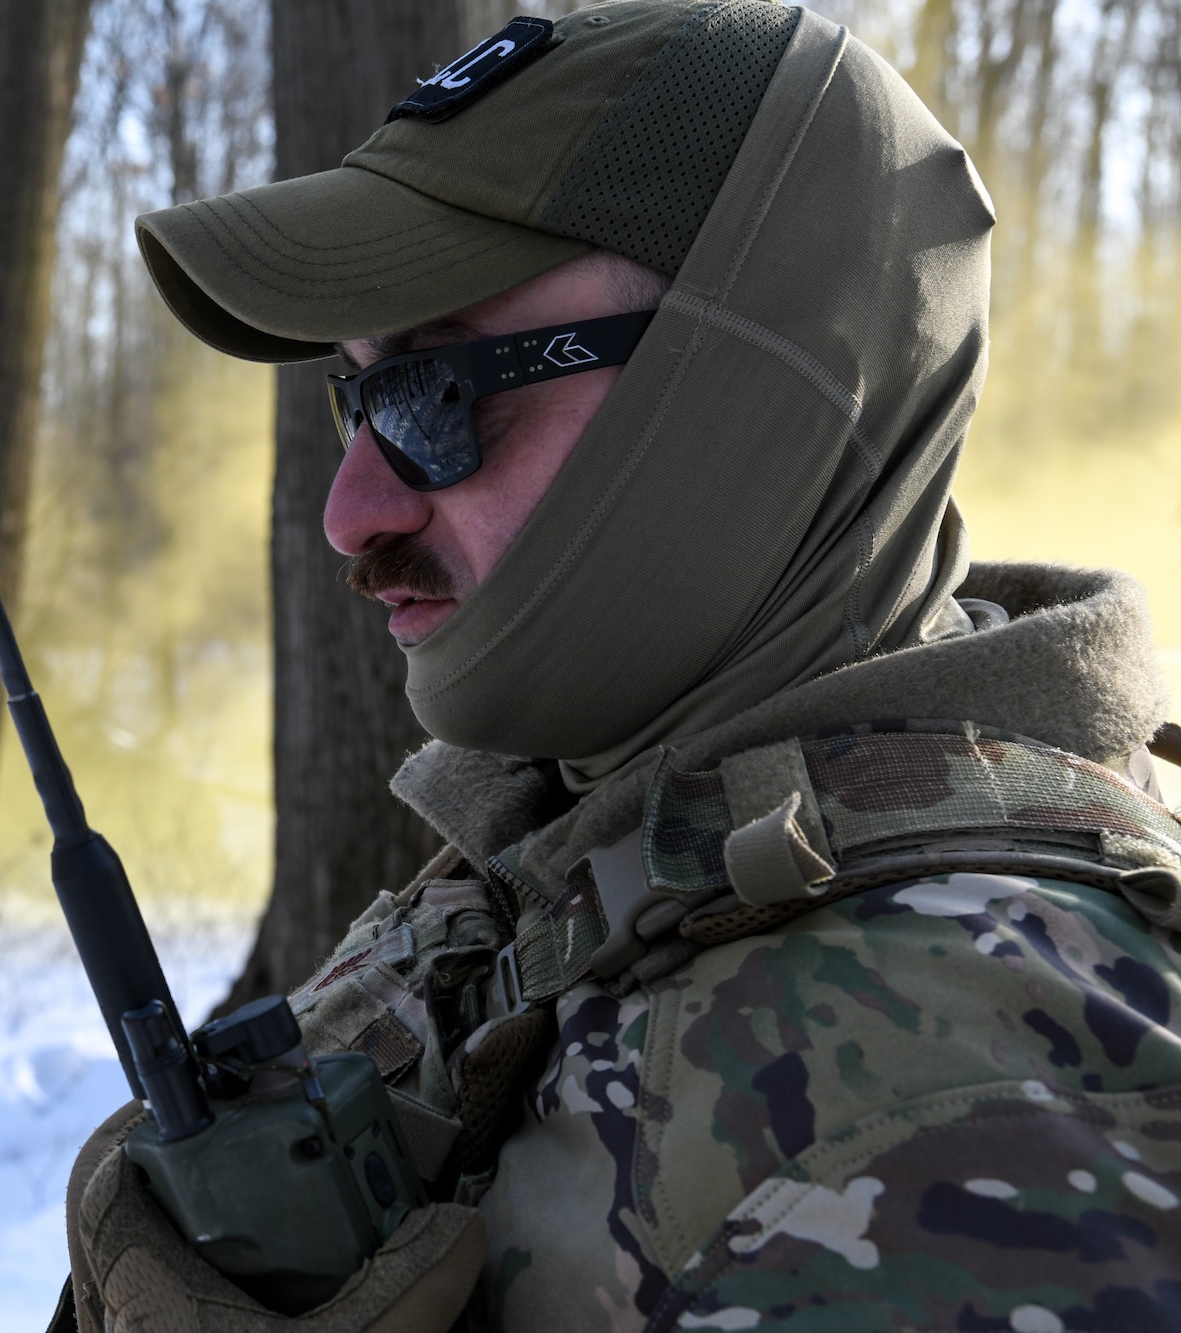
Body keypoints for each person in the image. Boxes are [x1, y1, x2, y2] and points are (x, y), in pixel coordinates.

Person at [58, 1, 1181, 1329]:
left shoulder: (960, 1107)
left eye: (435, 394)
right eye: (354, 394)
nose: (351, 511)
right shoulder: (591, 826)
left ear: (754, 395)